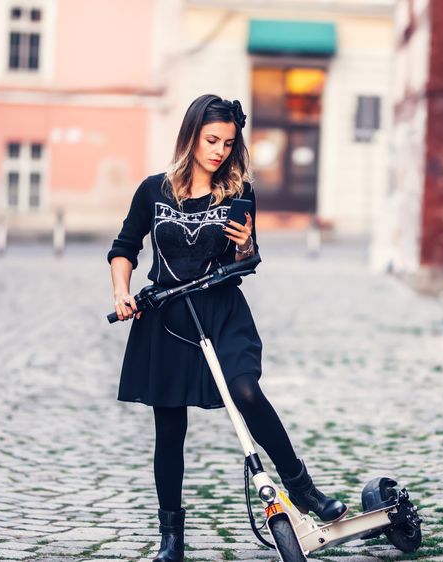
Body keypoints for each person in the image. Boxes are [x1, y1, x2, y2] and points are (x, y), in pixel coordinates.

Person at [106, 94, 347, 562]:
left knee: (248, 393)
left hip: (221, 312)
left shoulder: (238, 193)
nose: (218, 150)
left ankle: (303, 489)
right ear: (192, 136)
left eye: (227, 142)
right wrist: (121, 291)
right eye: (211, 139)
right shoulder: (153, 189)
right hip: (168, 318)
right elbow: (124, 247)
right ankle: (171, 537)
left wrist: (243, 247)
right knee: (169, 427)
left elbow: (246, 261)